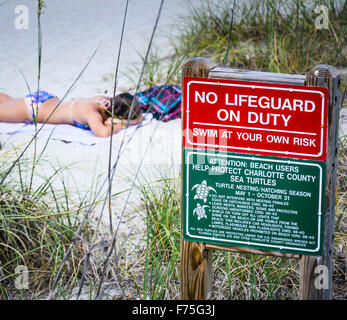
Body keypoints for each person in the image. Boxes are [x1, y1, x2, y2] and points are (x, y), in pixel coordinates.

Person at [0, 90, 143, 137]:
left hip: (45, 99)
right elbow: (103, 133)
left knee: (7, 103)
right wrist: (130, 122)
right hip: (33, 109)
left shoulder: (102, 100)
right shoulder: (92, 114)